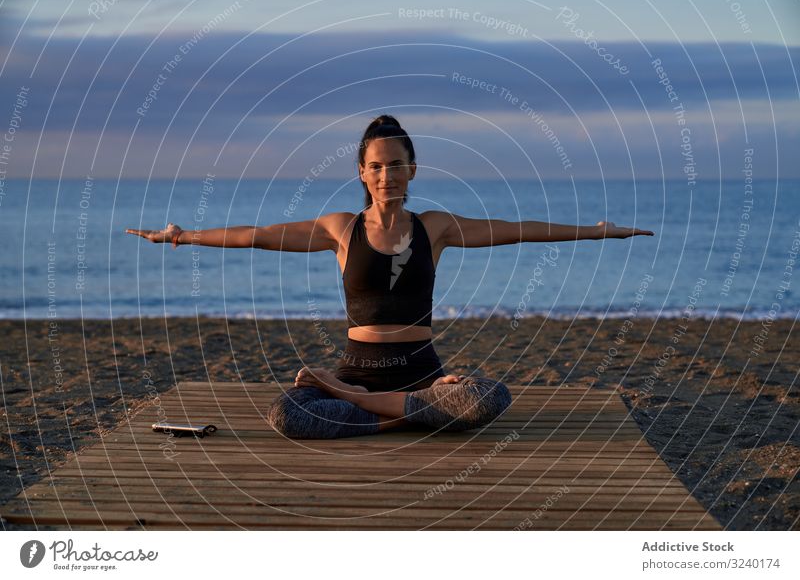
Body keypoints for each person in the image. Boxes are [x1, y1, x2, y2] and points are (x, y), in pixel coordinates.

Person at [127, 115, 653, 439]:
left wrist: (597, 231)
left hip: (422, 372)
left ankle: (360, 407)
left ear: (413, 169)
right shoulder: (340, 229)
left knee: (488, 398)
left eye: (397, 165)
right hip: (356, 368)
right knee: (287, 413)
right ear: (362, 172)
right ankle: (402, 414)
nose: (387, 175)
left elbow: (516, 230)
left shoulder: (435, 227)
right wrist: (182, 235)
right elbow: (257, 234)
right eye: (376, 166)